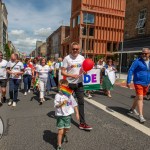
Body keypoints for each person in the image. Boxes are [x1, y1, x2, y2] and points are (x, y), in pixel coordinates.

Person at [61, 42, 92, 130]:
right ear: (71, 49)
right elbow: (62, 72)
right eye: (73, 49)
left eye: (77, 49)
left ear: (79, 49)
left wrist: (85, 71)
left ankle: (82, 123)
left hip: (79, 84)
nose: (75, 50)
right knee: (65, 102)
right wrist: (71, 76)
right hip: (68, 84)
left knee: (81, 103)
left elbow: (84, 68)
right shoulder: (67, 58)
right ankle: (64, 120)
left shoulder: (82, 58)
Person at [54, 79, 79, 150]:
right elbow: (56, 105)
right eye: (62, 87)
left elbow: (74, 104)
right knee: (60, 131)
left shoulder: (69, 95)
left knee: (67, 129)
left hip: (68, 115)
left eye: (65, 87)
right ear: (59, 87)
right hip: (60, 115)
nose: (63, 89)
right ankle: (59, 145)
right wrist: (61, 103)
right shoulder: (57, 95)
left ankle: (64, 134)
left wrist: (77, 113)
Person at [127, 48, 150, 123]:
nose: (144, 55)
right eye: (143, 53)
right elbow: (131, 70)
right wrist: (128, 81)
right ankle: (141, 116)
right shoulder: (137, 61)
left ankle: (132, 109)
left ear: (149, 54)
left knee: (138, 96)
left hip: (146, 83)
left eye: (146, 53)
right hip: (138, 82)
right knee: (140, 98)